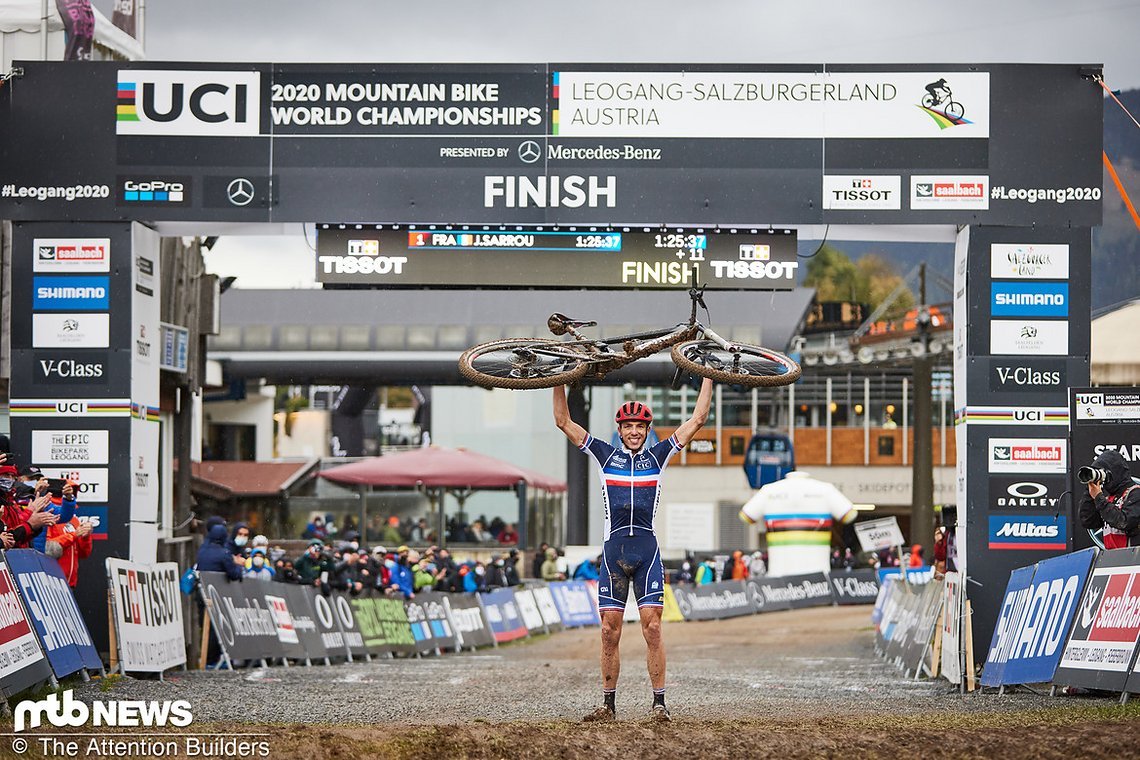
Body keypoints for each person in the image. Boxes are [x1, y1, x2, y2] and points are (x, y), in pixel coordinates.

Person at [554, 377, 713, 723]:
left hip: (647, 551)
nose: (634, 431)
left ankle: (659, 705)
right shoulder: (603, 454)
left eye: (639, 426)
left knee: (652, 628)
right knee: (609, 631)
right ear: (620, 429)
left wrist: (707, 375)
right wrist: (560, 380)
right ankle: (608, 706)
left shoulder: (659, 456)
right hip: (614, 552)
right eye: (628, 426)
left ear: (646, 429)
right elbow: (563, 422)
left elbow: (698, 419)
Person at [1078, 449, 1140, 548]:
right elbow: (1088, 520)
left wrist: (1099, 498)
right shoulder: (1108, 500)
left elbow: (1124, 522)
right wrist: (1090, 489)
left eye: (1104, 472)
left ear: (1115, 471)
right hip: (1112, 558)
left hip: (1134, 558)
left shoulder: (1136, 493)